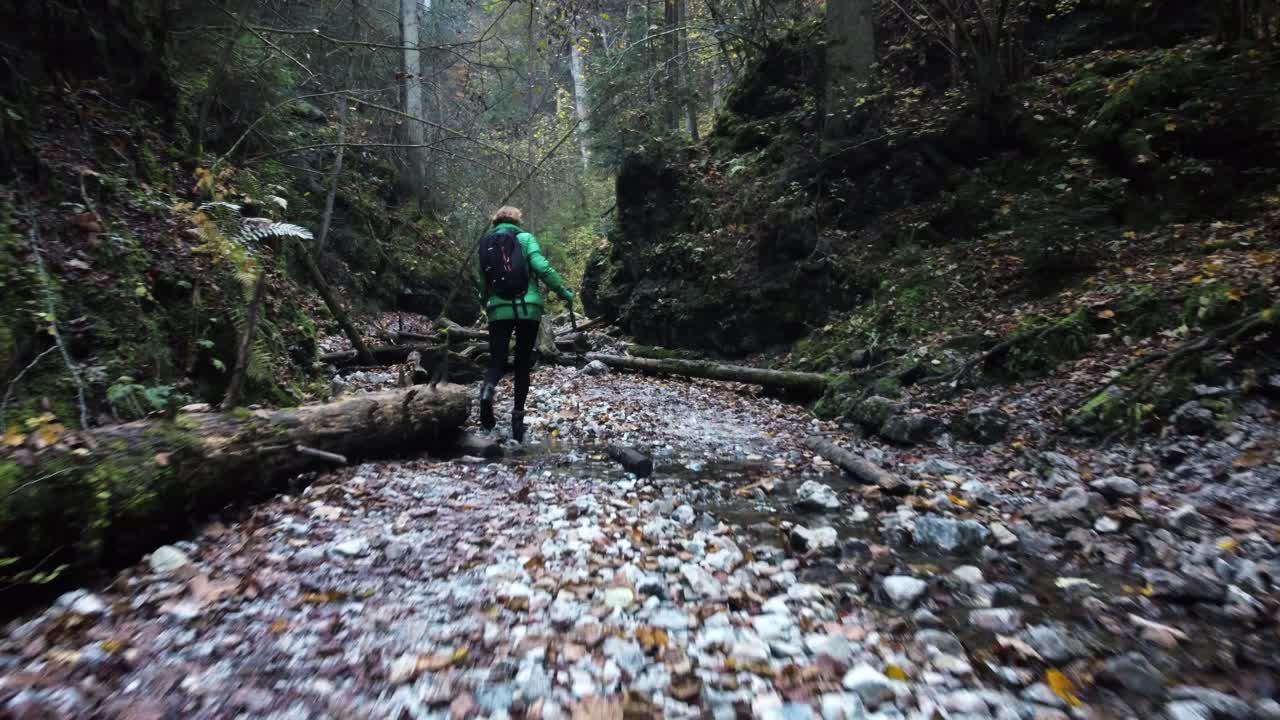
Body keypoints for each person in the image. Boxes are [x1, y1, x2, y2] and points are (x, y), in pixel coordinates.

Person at [476, 206, 573, 442]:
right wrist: (562, 292)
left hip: (498, 310)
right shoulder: (525, 238)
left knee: (496, 359)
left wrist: (488, 302)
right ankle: (517, 421)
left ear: (495, 222)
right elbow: (542, 268)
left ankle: (487, 392)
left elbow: (482, 281)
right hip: (528, 309)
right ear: (518, 221)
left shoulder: (486, 242)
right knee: (522, 362)